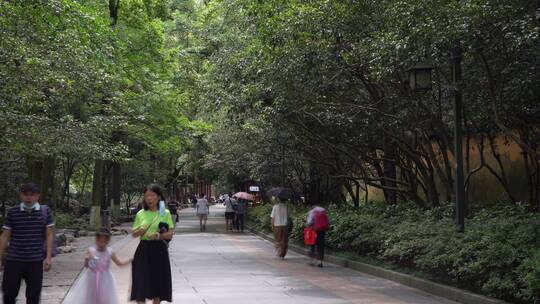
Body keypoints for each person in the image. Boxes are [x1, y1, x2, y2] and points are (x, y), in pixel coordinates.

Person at [0, 183, 55, 304]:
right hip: (14, 259)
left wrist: (48, 257)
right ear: (21, 195)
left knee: (33, 296)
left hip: (35, 260)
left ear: (37, 196)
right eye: (26, 194)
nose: (29, 197)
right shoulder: (13, 212)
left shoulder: (44, 212)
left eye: (32, 194)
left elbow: (49, 234)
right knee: (8, 293)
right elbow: (5, 236)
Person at [131, 184, 174, 304]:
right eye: (147, 196)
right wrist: (140, 231)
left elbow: (170, 234)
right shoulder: (141, 213)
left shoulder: (164, 213)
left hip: (159, 250)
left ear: (158, 197)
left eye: (152, 195)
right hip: (143, 250)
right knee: (140, 283)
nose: (149, 198)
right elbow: (134, 234)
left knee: (157, 284)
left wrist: (159, 235)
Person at [70, 228, 131, 304]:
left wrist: (130, 261)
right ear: (96, 240)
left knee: (105, 297)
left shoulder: (110, 251)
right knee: (91, 296)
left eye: (104, 241)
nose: (102, 244)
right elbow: (86, 266)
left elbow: (119, 263)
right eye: (100, 241)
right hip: (92, 277)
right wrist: (87, 260)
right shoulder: (91, 250)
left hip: (106, 278)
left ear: (108, 241)